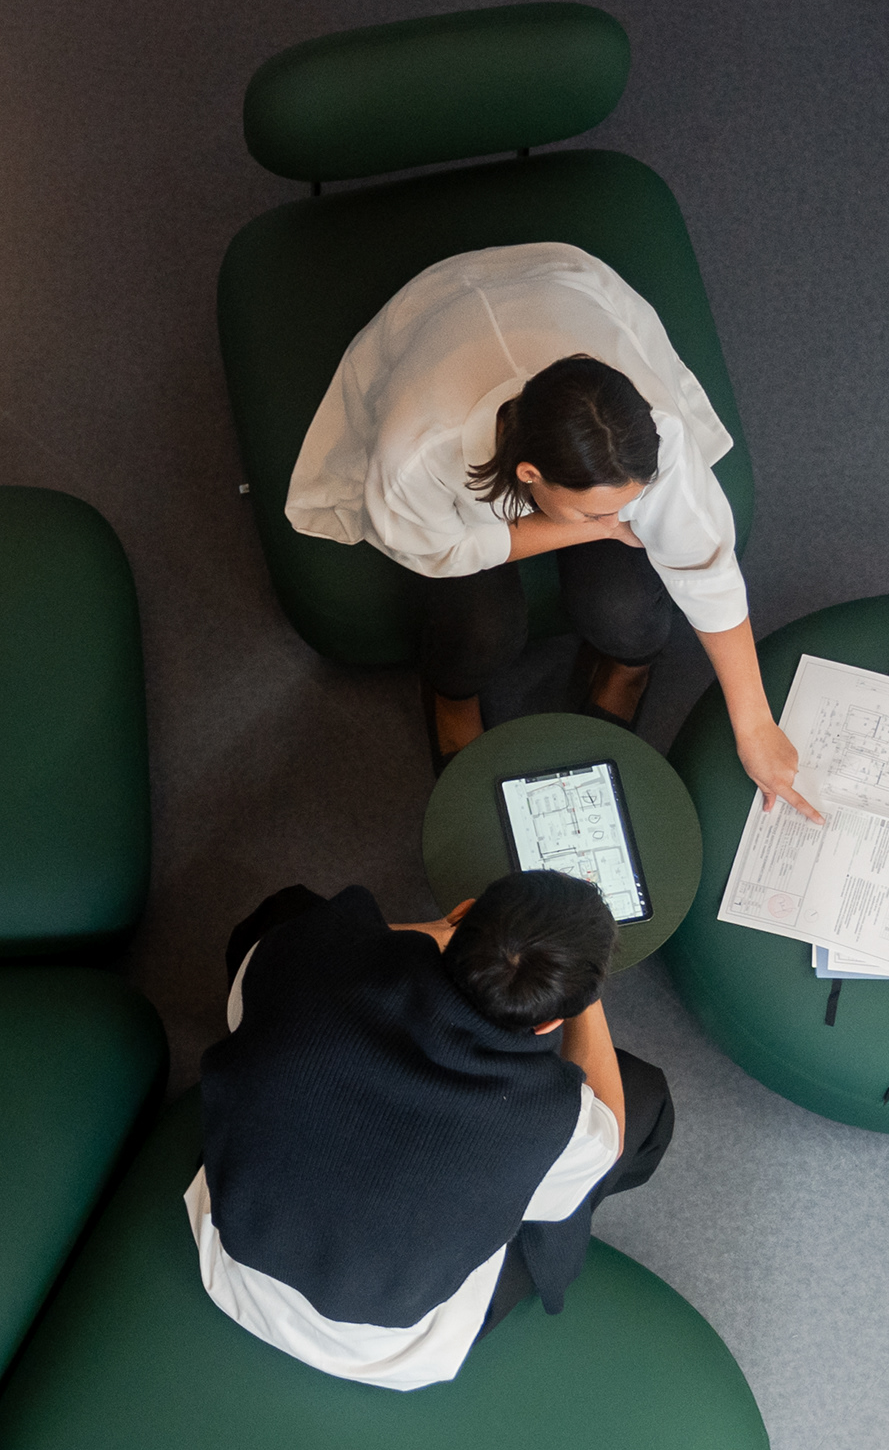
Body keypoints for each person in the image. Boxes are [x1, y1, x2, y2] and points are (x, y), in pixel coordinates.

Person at [283, 241, 814, 818]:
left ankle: (629, 665)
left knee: (627, 610)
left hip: (559, 288)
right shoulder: (418, 451)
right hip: (439, 313)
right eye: (595, 510)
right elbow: (442, 551)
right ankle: (452, 693)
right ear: (529, 475)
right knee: (482, 630)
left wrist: (755, 724)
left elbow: (704, 566)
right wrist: (599, 531)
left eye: (626, 504)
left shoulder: (647, 429)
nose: (619, 518)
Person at [188, 871, 675, 1392]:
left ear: (462, 915)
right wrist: (578, 991)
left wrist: (447, 932)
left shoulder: (303, 957)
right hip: (387, 1345)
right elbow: (609, 1138)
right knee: (645, 1097)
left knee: (289, 907)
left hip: (237, 1262)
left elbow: (256, 996)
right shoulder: (556, 1124)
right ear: (553, 1020)